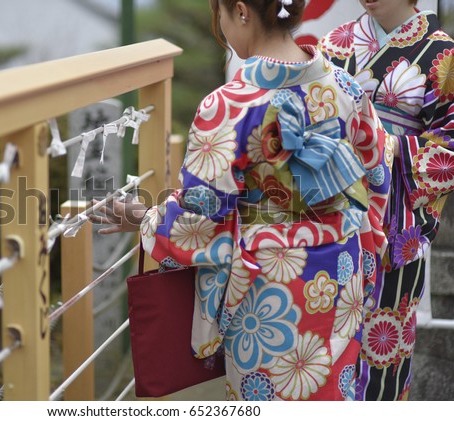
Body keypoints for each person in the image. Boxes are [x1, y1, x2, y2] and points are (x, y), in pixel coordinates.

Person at [91, 0, 392, 400]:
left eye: (220, 14)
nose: (221, 24)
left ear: (241, 11)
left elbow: (203, 215)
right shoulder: (345, 87)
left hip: (269, 289)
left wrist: (149, 218)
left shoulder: (226, 105)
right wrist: (362, 248)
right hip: (341, 275)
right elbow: (376, 173)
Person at [319, 0, 454, 401]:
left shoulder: (443, 53)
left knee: (383, 360)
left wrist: (382, 149)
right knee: (323, 358)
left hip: (393, 231)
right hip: (331, 225)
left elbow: (448, 148)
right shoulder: (333, 46)